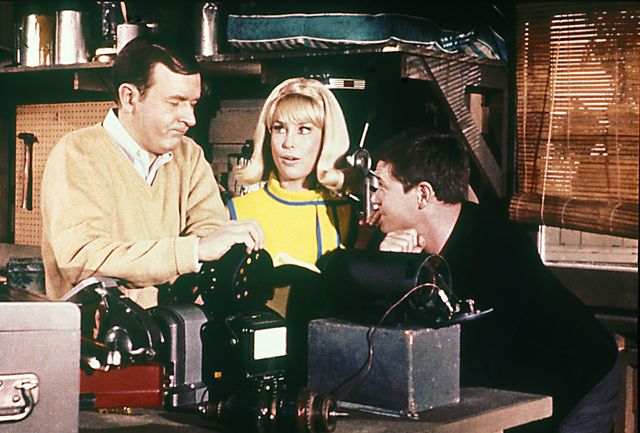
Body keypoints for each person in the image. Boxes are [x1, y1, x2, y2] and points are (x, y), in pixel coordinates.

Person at [367, 127, 620, 433]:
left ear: (423, 194)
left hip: (579, 377)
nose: (373, 200)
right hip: (519, 378)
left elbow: (475, 366)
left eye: (382, 187)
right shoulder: (396, 245)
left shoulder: (498, 247)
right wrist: (388, 272)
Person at [41, 38, 263, 308]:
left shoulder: (189, 156)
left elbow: (211, 240)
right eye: (175, 103)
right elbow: (82, 259)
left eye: (192, 103)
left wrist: (146, 280)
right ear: (130, 98)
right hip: (96, 334)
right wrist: (192, 252)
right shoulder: (77, 154)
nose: (190, 118)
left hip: (179, 327)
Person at [227, 77, 356, 314]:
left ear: (326, 138)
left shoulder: (348, 215)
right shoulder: (237, 212)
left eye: (304, 130)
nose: (288, 143)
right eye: (279, 128)